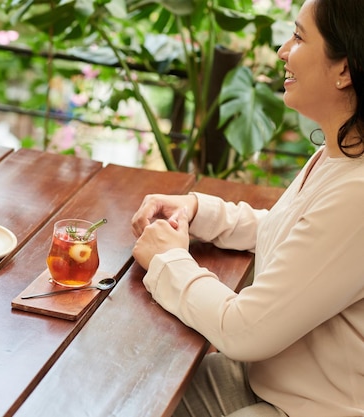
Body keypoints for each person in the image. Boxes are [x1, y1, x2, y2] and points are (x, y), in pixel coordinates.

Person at [131, 0, 364, 415]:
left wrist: (168, 260)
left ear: (344, 70)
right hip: (271, 381)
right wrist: (199, 211)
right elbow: (298, 235)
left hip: (308, 407)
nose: (283, 51)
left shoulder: (357, 191)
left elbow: (244, 330)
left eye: (298, 37)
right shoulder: (342, 151)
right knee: (136, 386)